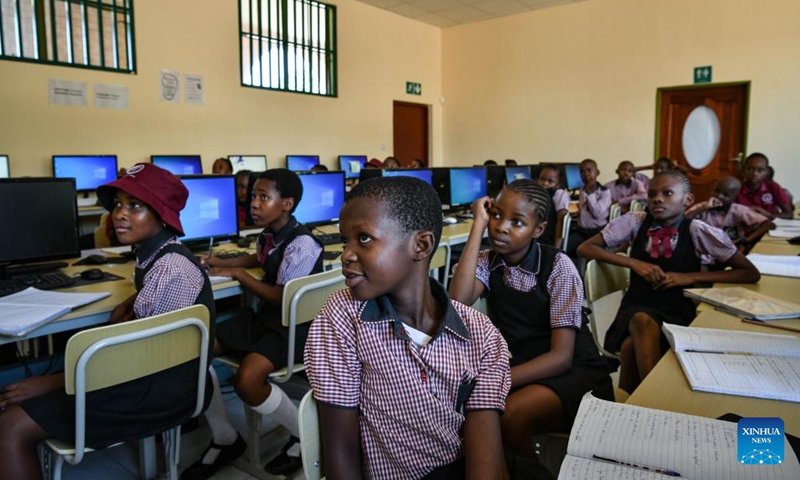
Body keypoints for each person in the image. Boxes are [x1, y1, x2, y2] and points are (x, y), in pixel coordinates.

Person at [0, 163, 216, 480]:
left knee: (10, 427)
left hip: (160, 389)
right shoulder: (157, 255)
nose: (120, 214)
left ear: (161, 213)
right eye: (117, 204)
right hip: (153, 375)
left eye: (135, 205)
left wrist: (51, 382)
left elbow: (143, 358)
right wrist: (135, 300)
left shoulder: (171, 269)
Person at [305, 177, 511, 480]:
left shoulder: (480, 334)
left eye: (363, 238)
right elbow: (341, 451)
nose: (345, 254)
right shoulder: (344, 316)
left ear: (421, 245)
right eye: (344, 239)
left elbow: (486, 463)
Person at [449, 180, 614, 467]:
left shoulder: (558, 267)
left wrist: (496, 381)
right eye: (497, 215)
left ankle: (529, 474)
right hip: (523, 367)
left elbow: (561, 358)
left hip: (574, 371)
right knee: (473, 413)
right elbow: (458, 302)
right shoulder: (489, 262)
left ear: (538, 230)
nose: (501, 227)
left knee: (510, 414)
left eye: (517, 222)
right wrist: (478, 225)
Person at [182, 169, 324, 479]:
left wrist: (238, 276)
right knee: (196, 350)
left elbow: (281, 297)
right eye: (253, 196)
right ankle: (224, 437)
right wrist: (221, 263)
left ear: (286, 204)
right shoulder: (270, 234)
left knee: (247, 381)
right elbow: (259, 258)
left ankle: (305, 433)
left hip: (293, 327)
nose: (253, 204)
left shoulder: (303, 244)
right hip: (267, 319)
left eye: (263, 197)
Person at [578, 170, 760, 393]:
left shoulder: (696, 230)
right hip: (637, 305)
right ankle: (657, 396)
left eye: (668, 193)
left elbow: (749, 272)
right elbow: (584, 248)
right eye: (652, 194)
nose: (657, 199)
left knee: (630, 347)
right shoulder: (636, 222)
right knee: (641, 321)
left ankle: (634, 402)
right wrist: (634, 263)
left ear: (687, 200)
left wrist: (691, 277)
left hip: (678, 310)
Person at [686, 176, 774, 255]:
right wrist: (702, 208)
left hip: (730, 252)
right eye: (716, 191)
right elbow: (681, 221)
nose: (719, 196)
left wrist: (745, 241)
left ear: (734, 198)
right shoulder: (702, 207)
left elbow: (768, 224)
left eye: (726, 195)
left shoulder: (739, 211)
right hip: (705, 252)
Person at [566, 159, 611, 258]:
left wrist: (590, 194)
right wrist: (578, 214)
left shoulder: (605, 192)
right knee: (565, 247)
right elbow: (584, 208)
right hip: (582, 230)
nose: (586, 174)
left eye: (589, 170)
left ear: (597, 173)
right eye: (582, 171)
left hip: (597, 232)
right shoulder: (582, 189)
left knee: (588, 253)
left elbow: (597, 214)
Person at [735, 153, 793, 220]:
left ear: (766, 172)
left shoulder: (773, 187)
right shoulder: (737, 188)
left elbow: (789, 214)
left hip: (770, 227)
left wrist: (768, 215)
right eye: (750, 169)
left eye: (760, 170)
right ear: (744, 170)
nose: (755, 174)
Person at [537, 164, 569, 249]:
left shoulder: (559, 194)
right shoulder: (538, 195)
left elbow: (560, 223)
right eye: (542, 179)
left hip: (548, 239)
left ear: (558, 184)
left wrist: (556, 249)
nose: (544, 183)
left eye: (550, 181)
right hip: (536, 236)